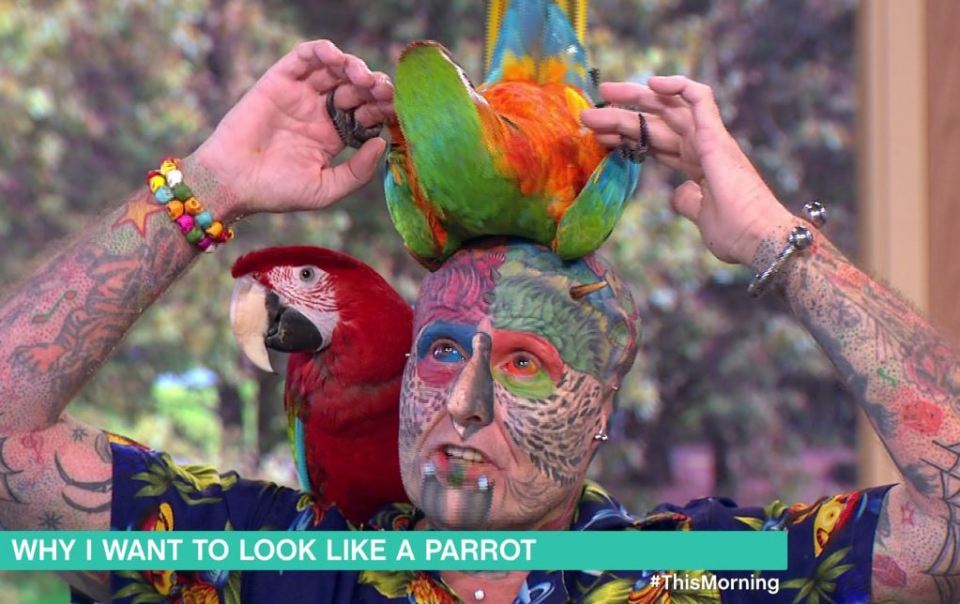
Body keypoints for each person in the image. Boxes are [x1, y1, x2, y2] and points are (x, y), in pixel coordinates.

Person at [0, 39, 951, 603]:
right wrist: (206, 187)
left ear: (603, 407)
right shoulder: (275, 565)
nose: (464, 401)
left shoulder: (695, 573)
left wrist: (781, 244)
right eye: (442, 348)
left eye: (528, 364)